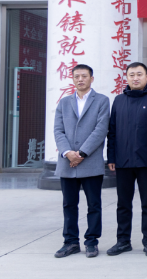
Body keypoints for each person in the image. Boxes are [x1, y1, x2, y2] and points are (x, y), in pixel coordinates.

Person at [106, 62, 147, 257]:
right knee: (123, 204)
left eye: (139, 74)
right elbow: (112, 131)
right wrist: (111, 156)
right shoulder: (119, 100)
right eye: (132, 75)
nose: (135, 78)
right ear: (127, 77)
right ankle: (123, 241)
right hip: (123, 161)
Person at [53, 64, 110, 258]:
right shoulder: (64, 102)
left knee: (94, 205)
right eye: (77, 76)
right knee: (69, 205)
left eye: (84, 76)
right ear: (73, 79)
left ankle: (91, 242)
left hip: (90, 162)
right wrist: (68, 152)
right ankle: (70, 242)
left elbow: (101, 130)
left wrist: (82, 153)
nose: (80, 79)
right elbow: (58, 130)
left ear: (91, 79)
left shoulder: (101, 101)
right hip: (67, 163)